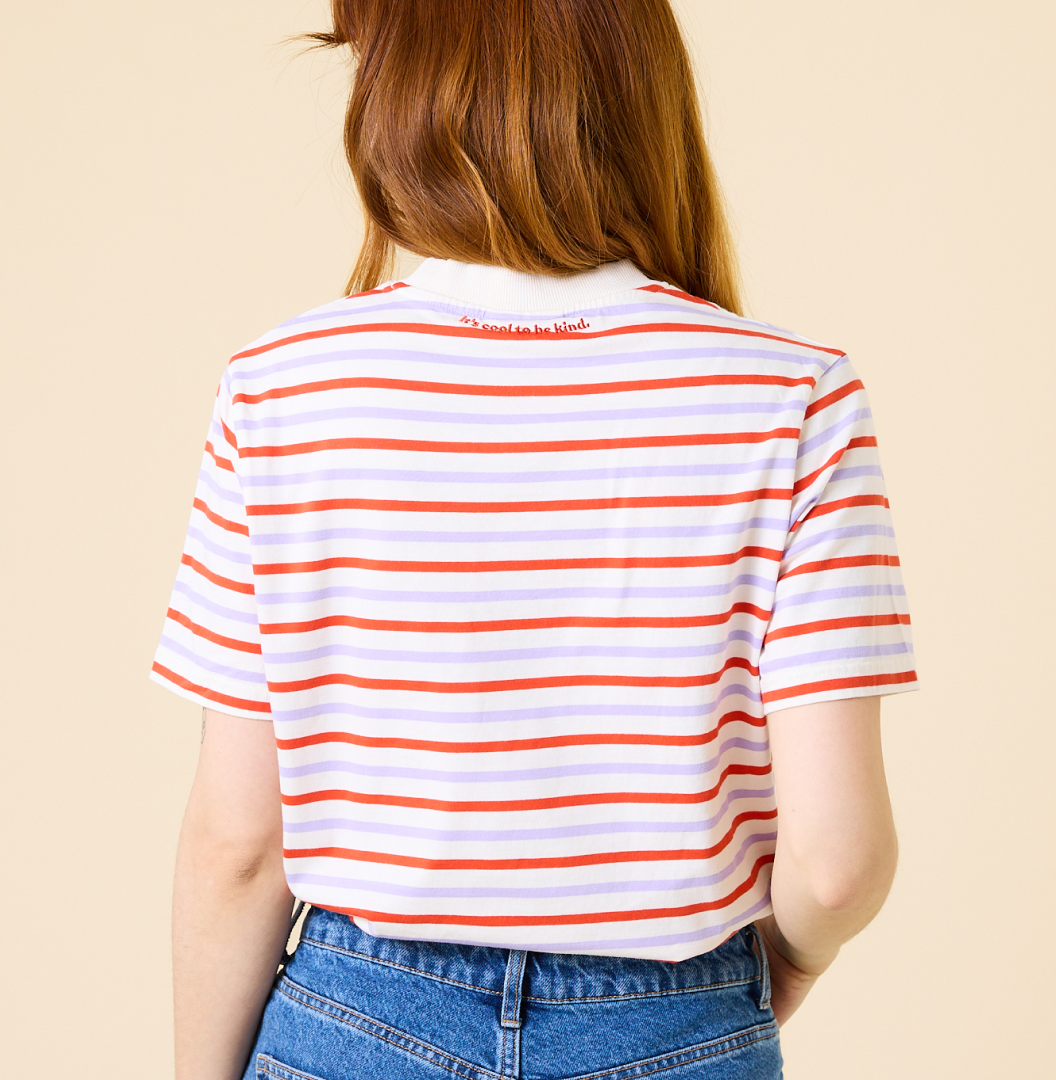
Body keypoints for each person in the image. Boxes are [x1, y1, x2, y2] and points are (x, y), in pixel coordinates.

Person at [154, 2, 917, 1077]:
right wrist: (772, 970)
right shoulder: (794, 398)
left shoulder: (282, 388)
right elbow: (838, 863)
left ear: (402, 98)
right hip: (677, 1021)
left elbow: (239, 844)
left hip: (357, 1018)